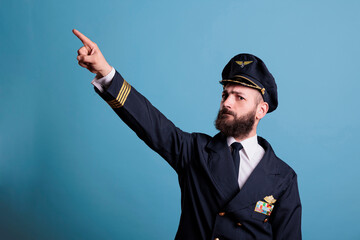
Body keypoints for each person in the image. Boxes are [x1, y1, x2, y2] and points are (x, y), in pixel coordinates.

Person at [73, 29, 302, 240]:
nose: (227, 103)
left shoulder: (283, 177)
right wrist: (105, 72)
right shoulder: (194, 151)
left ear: (261, 110)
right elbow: (149, 122)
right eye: (225, 95)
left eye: (239, 97)